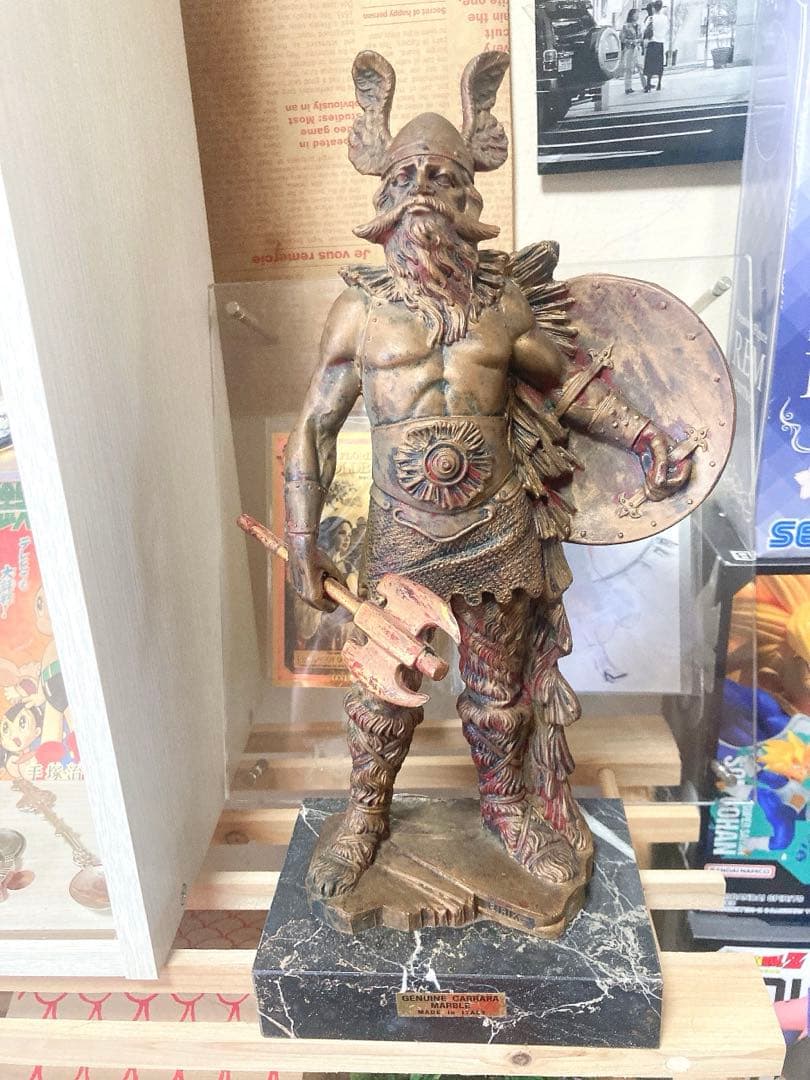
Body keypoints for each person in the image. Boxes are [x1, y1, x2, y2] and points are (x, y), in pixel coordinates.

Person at [285, 50, 691, 899]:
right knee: (384, 686)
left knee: (497, 693)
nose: (424, 191)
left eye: (442, 176)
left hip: (497, 531)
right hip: (401, 532)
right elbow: (315, 427)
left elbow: (570, 389)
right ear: (383, 197)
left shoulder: (504, 307)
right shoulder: (358, 311)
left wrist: (644, 435)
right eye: (408, 176)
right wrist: (300, 540)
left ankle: (508, 811)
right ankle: (365, 814)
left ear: (470, 200)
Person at [643, 0, 668, 91]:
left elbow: (645, 29)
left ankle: (648, 84)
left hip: (652, 42)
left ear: (654, 8)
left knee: (650, 64)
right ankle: (659, 84)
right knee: (659, 64)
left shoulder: (651, 18)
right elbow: (666, 29)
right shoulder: (665, 18)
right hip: (660, 43)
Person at [621, 9, 643, 94]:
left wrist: (638, 41)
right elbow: (622, 38)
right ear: (632, 15)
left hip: (637, 48)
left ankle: (645, 84)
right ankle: (628, 87)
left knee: (640, 66)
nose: (637, 16)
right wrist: (631, 41)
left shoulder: (638, 26)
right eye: (636, 14)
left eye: (638, 14)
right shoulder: (626, 26)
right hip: (629, 48)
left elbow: (641, 36)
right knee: (628, 68)